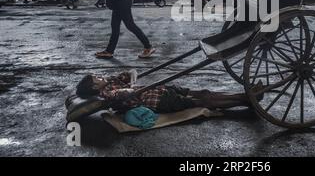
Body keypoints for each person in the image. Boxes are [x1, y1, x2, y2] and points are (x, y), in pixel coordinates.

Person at [75, 71, 263, 113]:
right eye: (96, 79)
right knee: (205, 102)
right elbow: (122, 95)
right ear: (94, 88)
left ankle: (247, 97)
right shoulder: (106, 95)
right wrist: (125, 88)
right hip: (159, 101)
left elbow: (132, 74)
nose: (100, 77)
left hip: (160, 90)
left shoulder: (110, 82)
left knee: (203, 92)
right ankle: (247, 100)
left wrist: (122, 77)